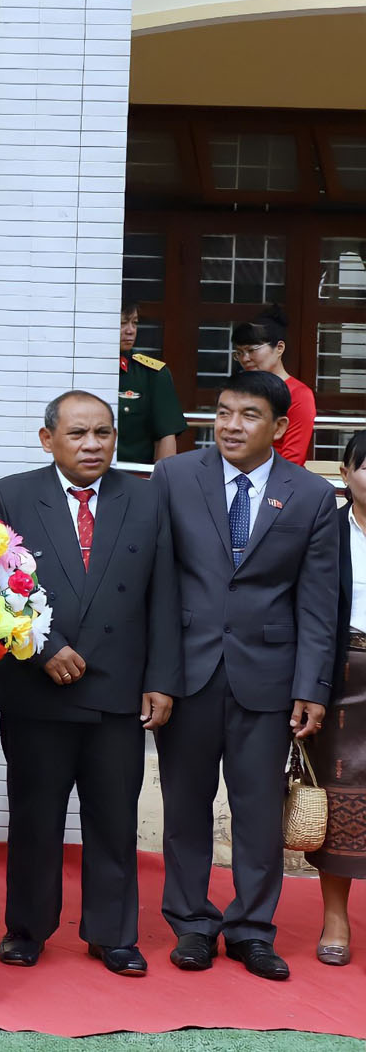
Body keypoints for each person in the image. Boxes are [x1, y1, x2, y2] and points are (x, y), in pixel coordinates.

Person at [0, 391, 181, 978]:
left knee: (114, 818)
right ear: (49, 440)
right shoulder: (11, 495)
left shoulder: (146, 497)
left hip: (120, 689)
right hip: (38, 687)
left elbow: (165, 593)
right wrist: (40, 649)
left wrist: (162, 679)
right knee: (35, 818)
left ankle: (113, 933)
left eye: (103, 432)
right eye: (78, 434)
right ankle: (27, 928)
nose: (92, 445)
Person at [152, 369, 340, 980]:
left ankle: (253, 929)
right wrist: (155, 672)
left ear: (280, 427)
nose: (231, 426)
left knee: (259, 813)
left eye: (249, 415)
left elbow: (318, 601)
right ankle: (192, 924)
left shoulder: (310, 495)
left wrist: (312, 685)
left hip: (270, 676)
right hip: (188, 672)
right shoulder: (176, 477)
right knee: (185, 806)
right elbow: (157, 585)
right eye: (224, 412)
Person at [305, 429, 366, 966]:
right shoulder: (329, 529)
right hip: (343, 672)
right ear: (345, 475)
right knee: (340, 798)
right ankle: (335, 919)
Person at [232, 307, 314, 466]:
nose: (245, 358)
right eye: (240, 352)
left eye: (251, 350)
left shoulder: (299, 394)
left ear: (279, 348)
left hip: (277, 481)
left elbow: (293, 458)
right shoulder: (240, 390)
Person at [116, 299, 185, 466]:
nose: (130, 331)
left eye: (134, 323)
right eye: (123, 323)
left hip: (133, 478)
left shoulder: (152, 373)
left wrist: (160, 487)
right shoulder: (80, 368)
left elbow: (166, 435)